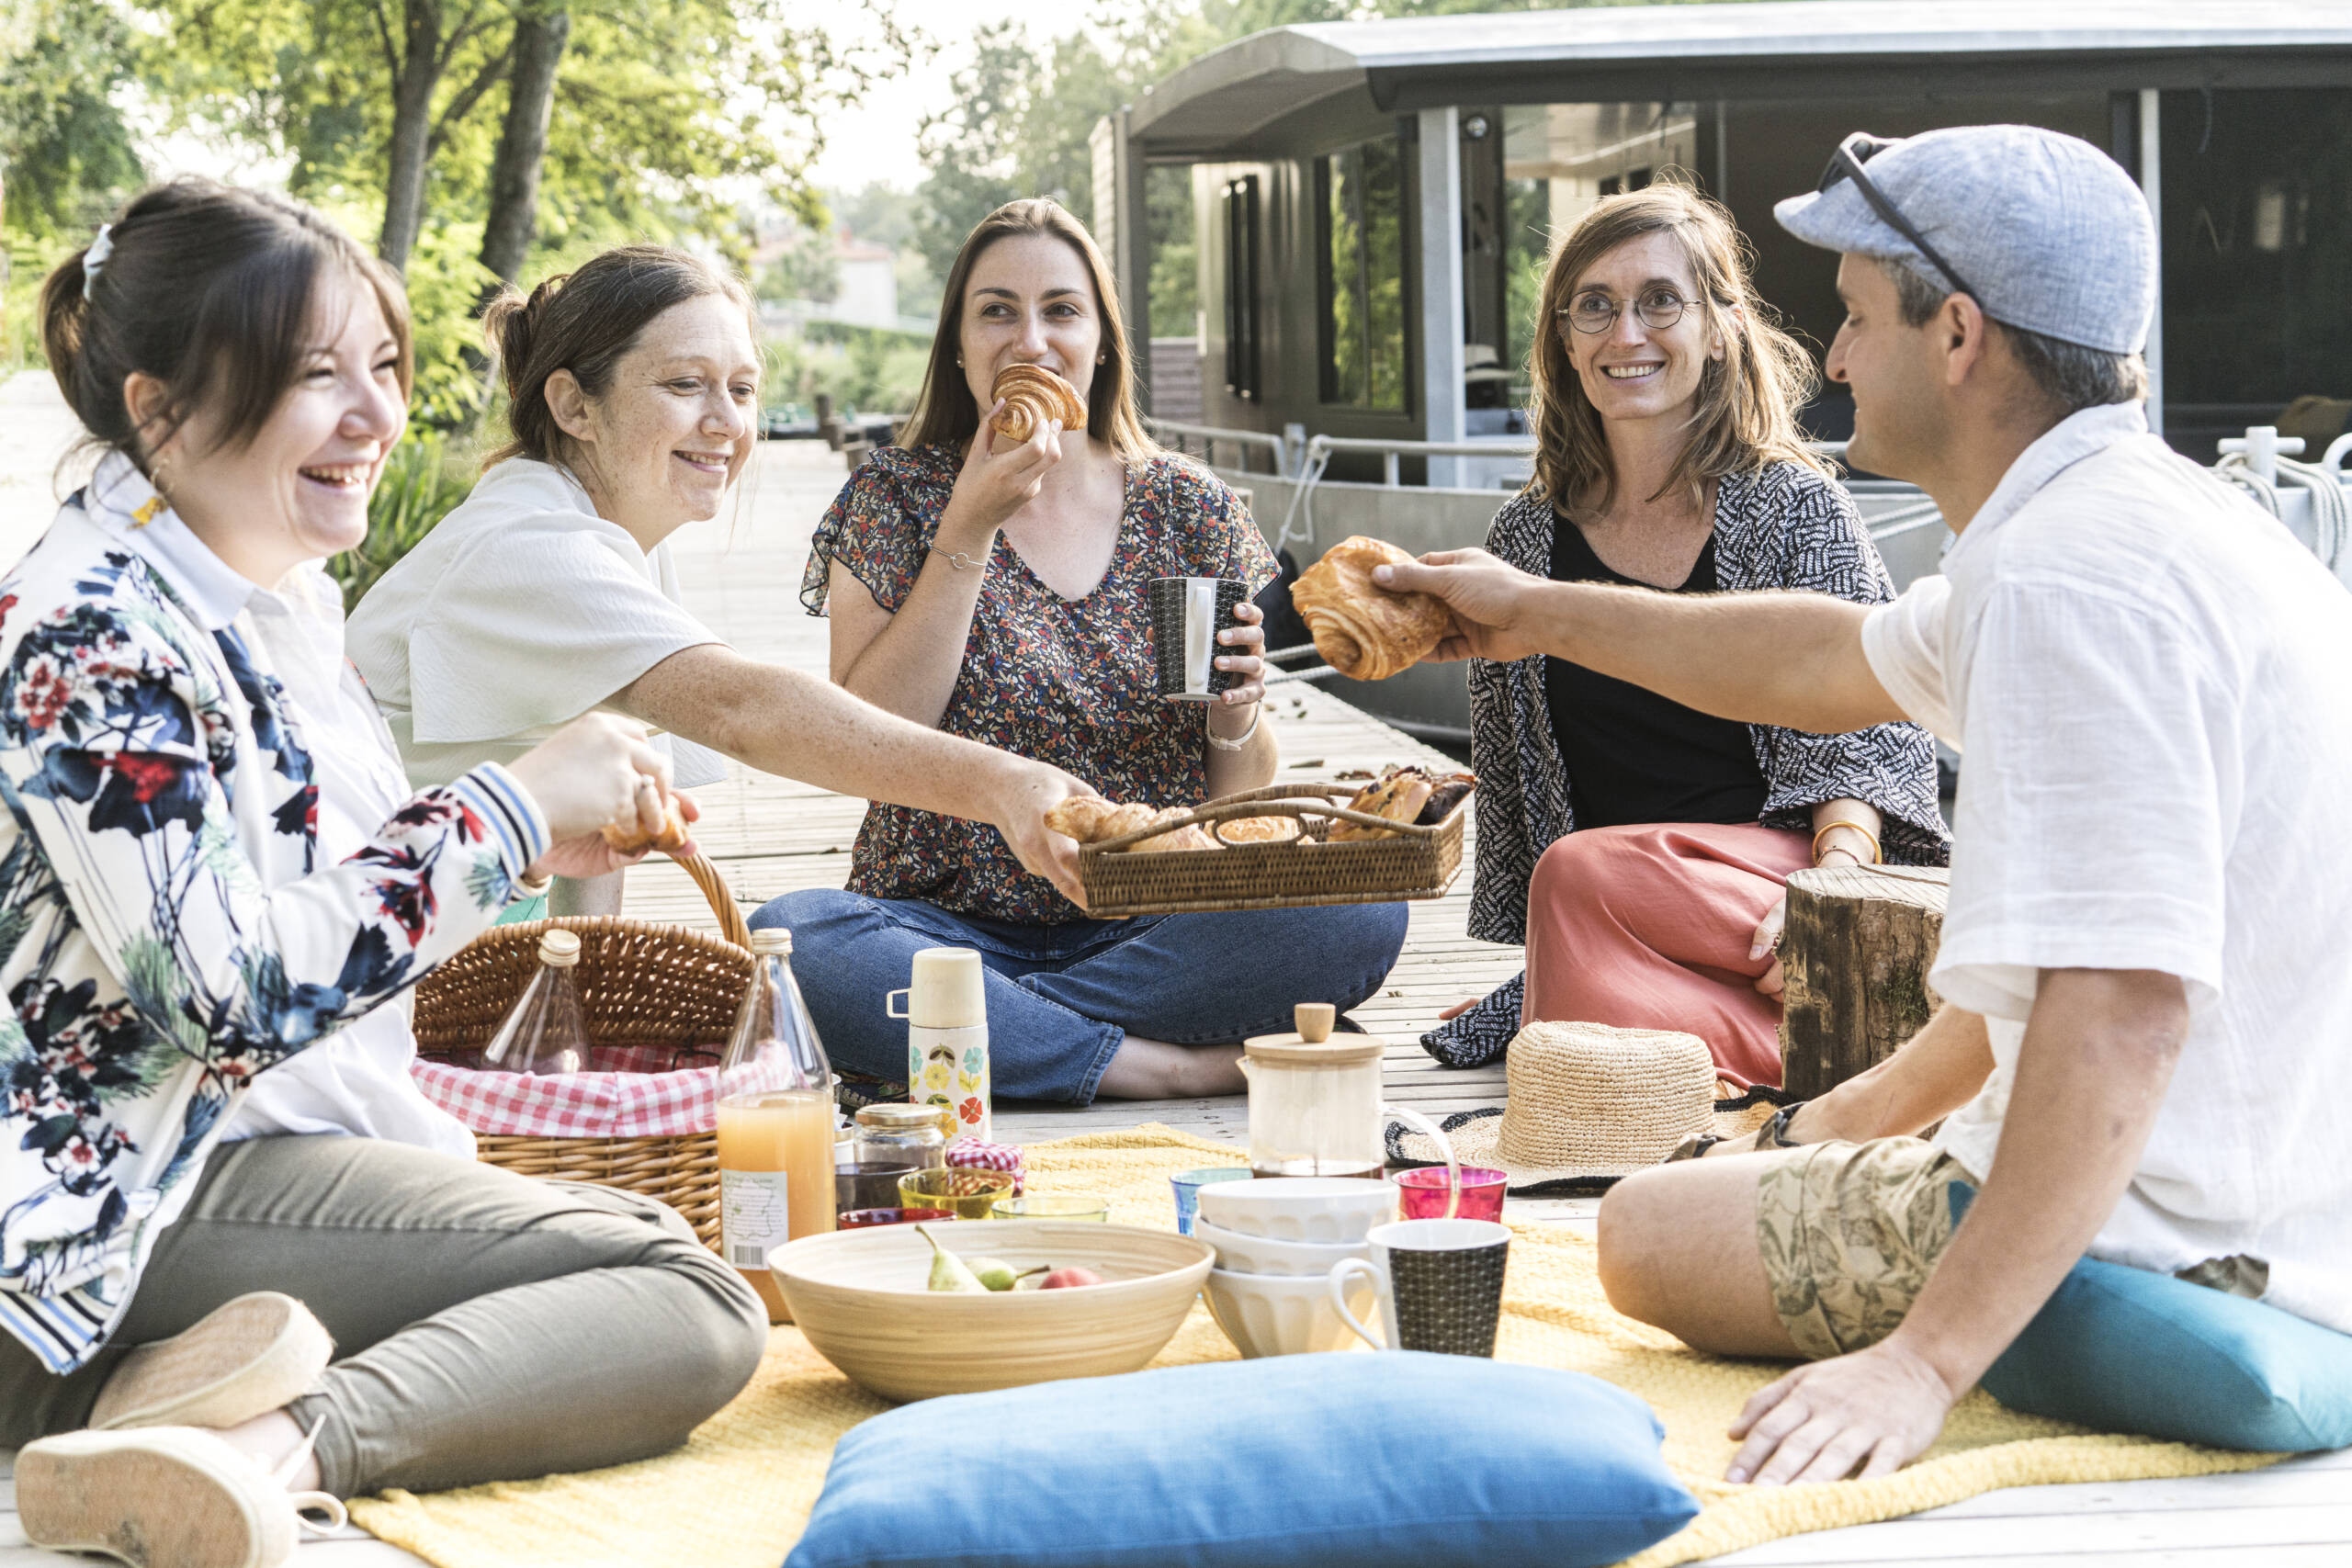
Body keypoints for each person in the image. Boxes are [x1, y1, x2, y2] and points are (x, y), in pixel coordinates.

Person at [1377, 127, 2352, 1484]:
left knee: (1641, 1231)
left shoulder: (2073, 589)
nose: (1830, 358)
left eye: (1851, 316)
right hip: (2295, 1203)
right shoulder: (2135, 524)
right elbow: (1826, 657)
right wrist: (1531, 615)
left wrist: (1923, 1363)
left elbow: (2122, 1009)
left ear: (1956, 334)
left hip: (2179, 1245)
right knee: (1757, 1162)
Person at [1, 181, 767, 1561]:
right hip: (113, 1201)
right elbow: (220, 993)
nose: (376, 417)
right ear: (159, 406)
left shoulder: (271, 589)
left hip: (258, 1155)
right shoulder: (88, 630)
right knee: (683, 1289)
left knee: (628, 1246)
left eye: (386, 366)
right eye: (315, 375)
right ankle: (248, 1446)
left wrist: (519, 843)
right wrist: (504, 811)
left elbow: (311, 888)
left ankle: (162, 1394)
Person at [757, 199, 1408, 1103]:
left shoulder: (1190, 506)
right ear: (957, 344)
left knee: (1358, 910)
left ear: (1101, 342)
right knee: (797, 936)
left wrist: (1235, 718)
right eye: (996, 311)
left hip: (1153, 925)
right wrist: (967, 530)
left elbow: (1238, 807)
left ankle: (978, 1035)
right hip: (942, 925)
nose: (1030, 339)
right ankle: (1154, 1066)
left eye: (1061, 310)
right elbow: (873, 737)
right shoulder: (893, 496)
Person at [345, 244, 1088, 919]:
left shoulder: (619, 528)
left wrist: (590, 997)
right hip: (358, 915)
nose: (728, 423)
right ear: (574, 406)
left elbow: (612, 803)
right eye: (685, 384)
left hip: (443, 906)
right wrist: (1005, 786)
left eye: (742, 389)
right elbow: (742, 709)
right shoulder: (532, 545)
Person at [1422, 182, 1944, 1089]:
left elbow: (1871, 736)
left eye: (1659, 300)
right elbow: (1521, 792)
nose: (1625, 334)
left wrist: (1829, 892)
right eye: (1594, 307)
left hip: (1778, 878)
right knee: (1575, 940)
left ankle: (1680, 1017)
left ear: (1720, 325)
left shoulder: (1795, 505)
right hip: (1616, 907)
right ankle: (1831, 1051)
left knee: (1574, 895)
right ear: (1565, 342)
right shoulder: (1522, 541)